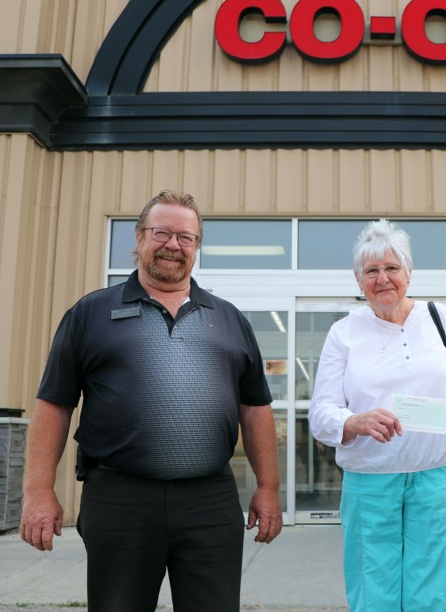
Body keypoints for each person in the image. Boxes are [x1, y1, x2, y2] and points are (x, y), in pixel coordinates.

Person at [19, 190, 283, 612]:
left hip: (210, 501)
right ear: (139, 237)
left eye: (186, 237)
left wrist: (268, 488)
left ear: (197, 247)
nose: (173, 246)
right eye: (162, 233)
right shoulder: (90, 314)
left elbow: (255, 409)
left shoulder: (229, 319)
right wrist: (37, 490)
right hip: (120, 498)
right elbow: (54, 404)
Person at [309, 219, 446, 612]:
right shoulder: (344, 332)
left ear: (409, 273)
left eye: (392, 268)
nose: (383, 279)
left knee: (430, 590)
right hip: (369, 479)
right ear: (358, 279)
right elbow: (321, 413)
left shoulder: (440, 319)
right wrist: (352, 422)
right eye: (372, 271)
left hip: (436, 474)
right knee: (372, 589)